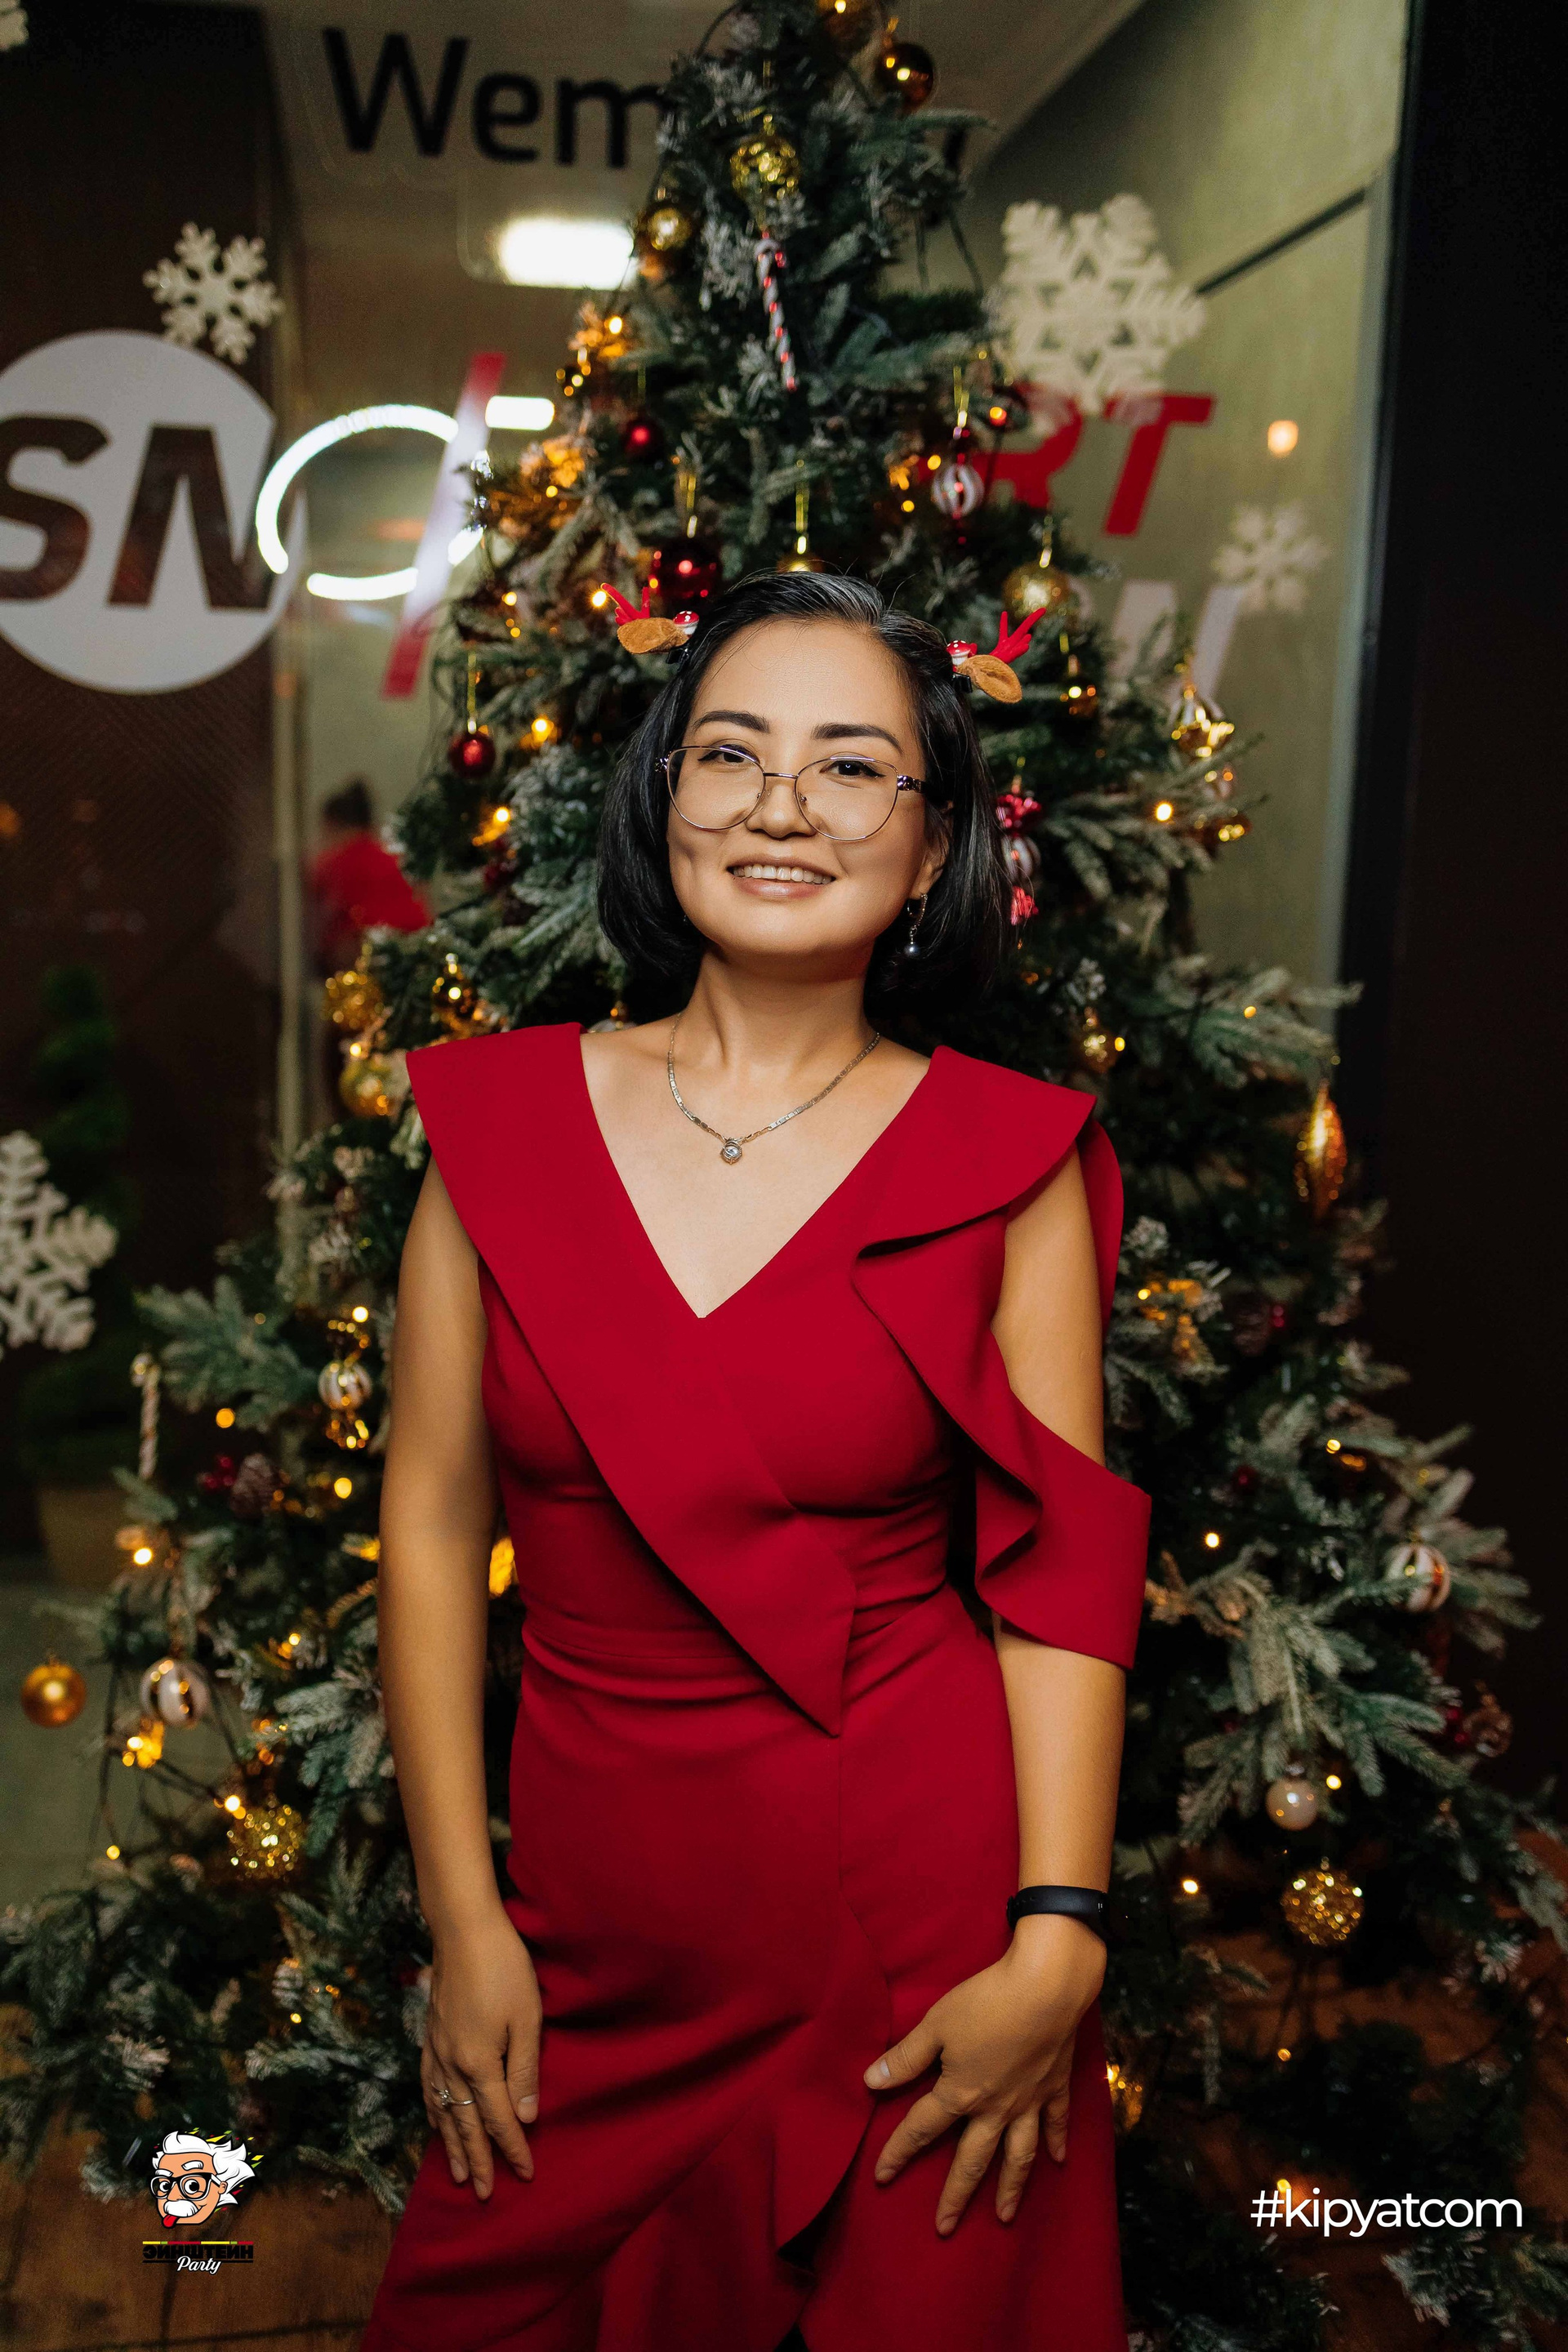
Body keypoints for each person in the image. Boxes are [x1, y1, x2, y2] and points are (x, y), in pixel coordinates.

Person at [360, 572, 1151, 2352]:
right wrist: (464, 1920)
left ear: (932, 847)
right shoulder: (499, 1126)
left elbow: (1061, 1576)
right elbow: (429, 1524)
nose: (783, 804)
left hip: (921, 1943)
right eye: (732, 752)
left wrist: (1057, 1938)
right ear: (666, 799)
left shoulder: (1008, 1164)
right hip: (585, 1937)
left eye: (851, 765)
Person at [308, 777, 428, 978]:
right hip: (415, 947)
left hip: (370, 950)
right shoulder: (393, 857)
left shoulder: (337, 861)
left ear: (334, 825)